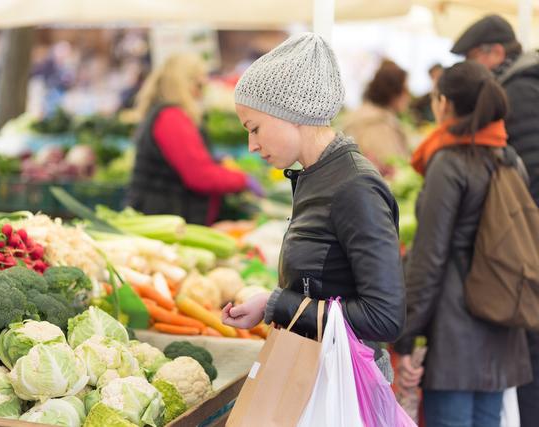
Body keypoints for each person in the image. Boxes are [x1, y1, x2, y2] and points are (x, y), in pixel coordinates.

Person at [221, 33, 406, 381]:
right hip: (318, 373)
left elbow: (385, 317)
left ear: (292, 113)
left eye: (255, 128)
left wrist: (278, 303)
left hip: (345, 385)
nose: (252, 145)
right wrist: (269, 303)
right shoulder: (316, 174)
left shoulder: (354, 186)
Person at [393, 61, 532, 427]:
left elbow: (428, 258)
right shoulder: (510, 159)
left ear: (444, 104)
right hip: (501, 326)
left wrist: (406, 338)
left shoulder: (449, 163)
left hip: (456, 337)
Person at [450, 18, 539, 424]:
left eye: (473, 60)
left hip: (527, 250)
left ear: (495, 53)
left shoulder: (519, 91)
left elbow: (529, 178)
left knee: (532, 363)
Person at [126, 54, 263, 225]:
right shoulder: (171, 118)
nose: (204, 88)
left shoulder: (169, 115)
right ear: (187, 83)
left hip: (166, 215)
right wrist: (242, 180)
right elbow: (200, 176)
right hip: (165, 218)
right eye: (201, 82)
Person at [342, 59, 411, 173]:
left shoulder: (367, 115)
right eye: (405, 89)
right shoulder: (377, 124)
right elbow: (390, 169)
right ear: (393, 92)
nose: (408, 95)